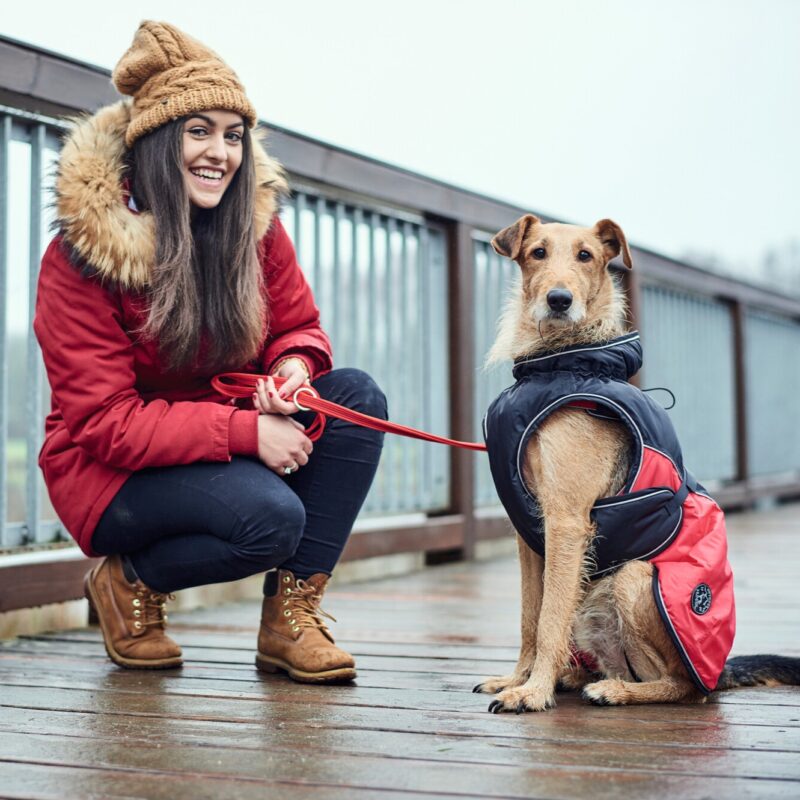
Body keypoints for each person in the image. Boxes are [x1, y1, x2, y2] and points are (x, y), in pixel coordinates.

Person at [33, 20, 386, 683]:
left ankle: (290, 619)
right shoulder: (83, 256)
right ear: (157, 142)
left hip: (217, 439)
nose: (220, 152)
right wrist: (246, 430)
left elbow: (299, 326)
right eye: (199, 131)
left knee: (356, 398)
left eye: (232, 135)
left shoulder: (251, 229)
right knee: (271, 521)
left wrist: (291, 371)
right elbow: (106, 422)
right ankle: (126, 584)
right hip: (110, 471)